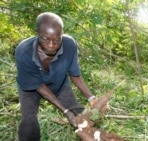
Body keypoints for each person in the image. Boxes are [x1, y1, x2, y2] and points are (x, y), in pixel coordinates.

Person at [15, 12, 98, 141]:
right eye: (45, 39)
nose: (51, 45)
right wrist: (65, 111)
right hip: (31, 89)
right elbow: (38, 85)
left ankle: (93, 136)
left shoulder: (69, 45)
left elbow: (75, 74)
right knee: (29, 121)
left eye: (57, 40)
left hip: (59, 84)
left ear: (62, 35)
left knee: (78, 112)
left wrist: (91, 98)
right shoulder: (23, 51)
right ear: (37, 32)